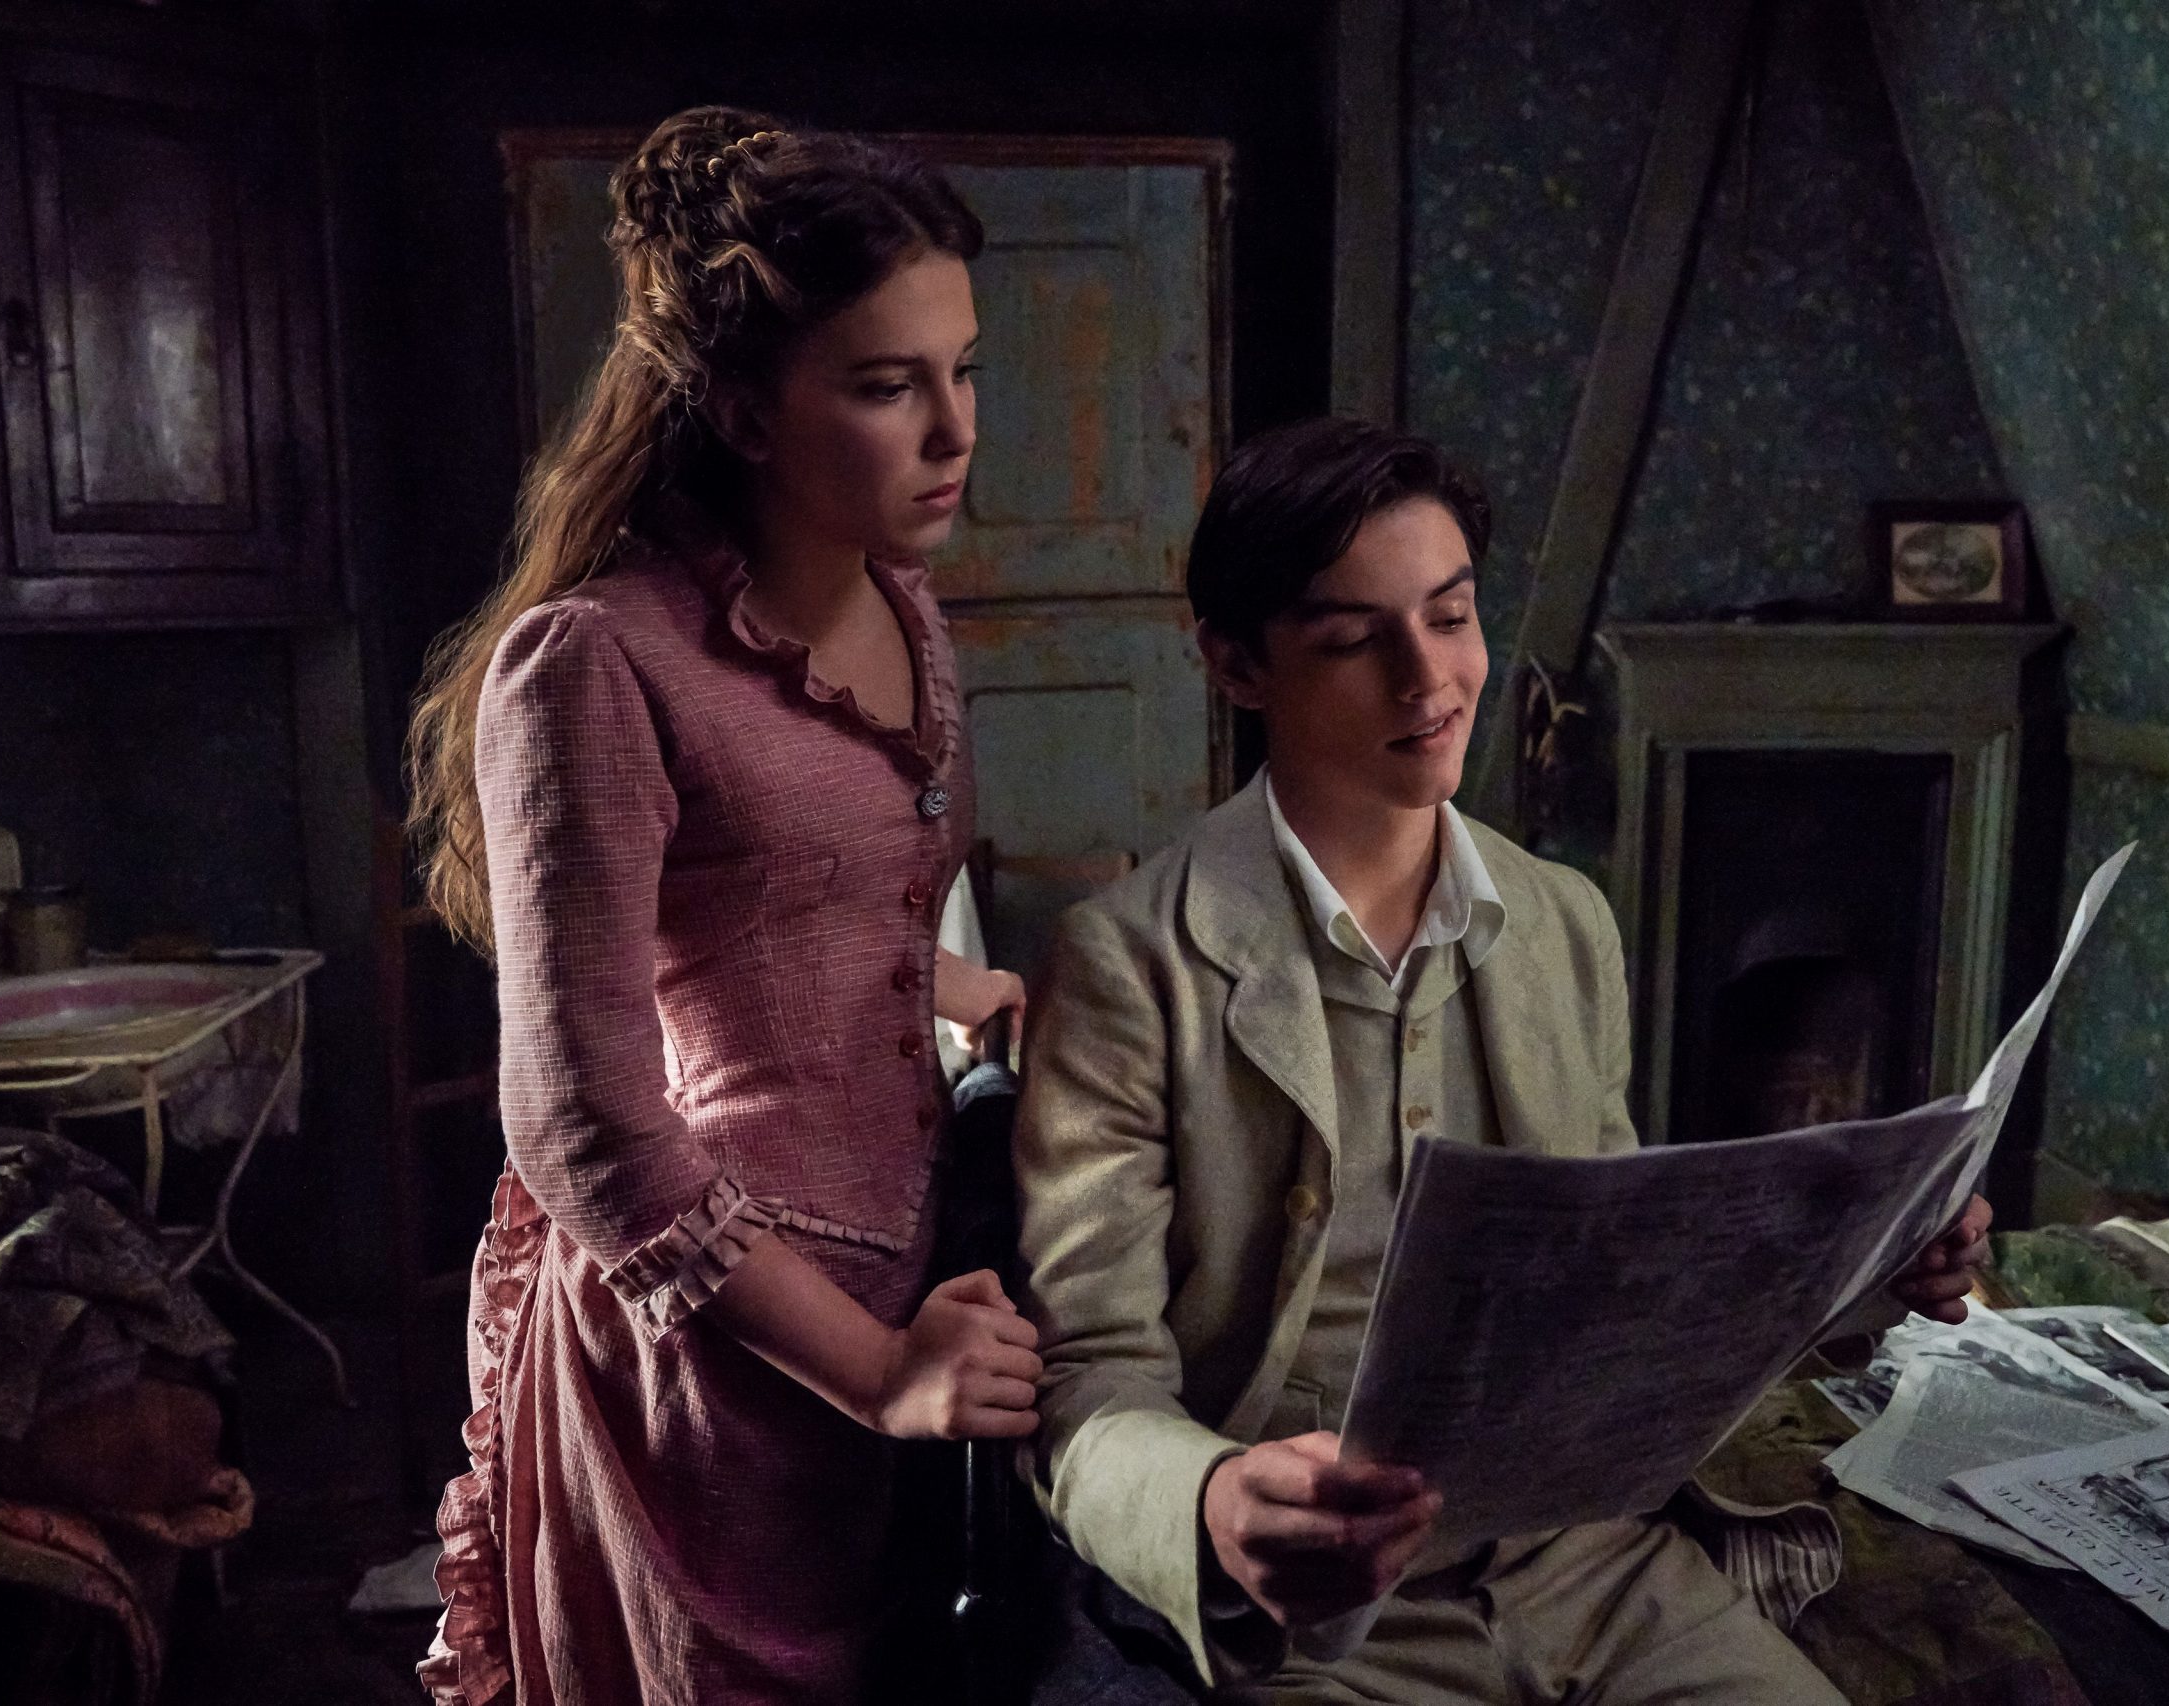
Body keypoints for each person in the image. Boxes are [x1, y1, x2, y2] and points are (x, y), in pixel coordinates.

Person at [1012, 417, 1991, 1703]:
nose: (1428, 679)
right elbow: (1086, 1380)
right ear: (1236, 664)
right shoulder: (1125, 965)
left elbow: (1631, 1303)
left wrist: (1868, 1269)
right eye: (1353, 639)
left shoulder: (1565, 922)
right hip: (1323, 1623)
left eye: (1452, 614)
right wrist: (1209, 1499)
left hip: (1594, 1566)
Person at [405, 107, 1039, 1705]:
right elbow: (583, 1125)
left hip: (916, 1283)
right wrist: (876, 1370)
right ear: (746, 409)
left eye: (963, 370)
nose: (954, 430)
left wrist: (957, 989)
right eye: (887, 385)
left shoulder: (907, 609)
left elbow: (813, 906)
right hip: (723, 1351)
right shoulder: (597, 663)